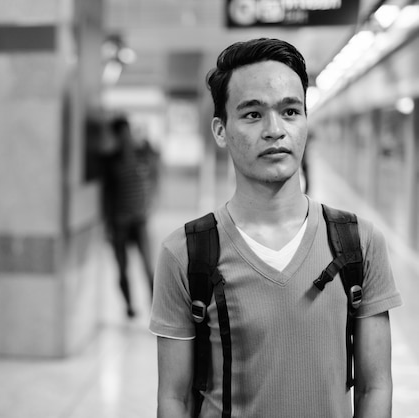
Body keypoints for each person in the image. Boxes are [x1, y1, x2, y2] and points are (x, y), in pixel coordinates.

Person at [150, 38, 402, 417]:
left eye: (290, 111)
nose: (275, 130)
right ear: (221, 130)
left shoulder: (358, 243)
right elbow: (175, 397)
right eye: (253, 114)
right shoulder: (186, 253)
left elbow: (375, 386)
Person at [102, 115, 158, 318]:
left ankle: (155, 306)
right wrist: (108, 224)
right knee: (122, 268)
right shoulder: (111, 160)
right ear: (117, 136)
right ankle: (129, 307)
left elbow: (155, 170)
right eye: (122, 133)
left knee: (148, 265)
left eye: (128, 132)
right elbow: (107, 195)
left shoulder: (143, 152)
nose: (126, 137)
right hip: (119, 222)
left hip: (140, 219)